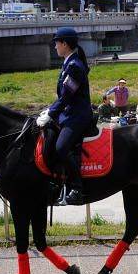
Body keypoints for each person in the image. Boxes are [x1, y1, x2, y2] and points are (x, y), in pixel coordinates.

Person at [36, 27, 93, 205]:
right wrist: (50, 110)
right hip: (68, 113)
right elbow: (63, 97)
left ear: (65, 44)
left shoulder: (75, 66)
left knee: (61, 148)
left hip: (77, 116)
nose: (55, 47)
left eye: (56, 43)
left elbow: (67, 96)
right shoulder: (69, 62)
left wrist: (52, 113)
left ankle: (77, 188)